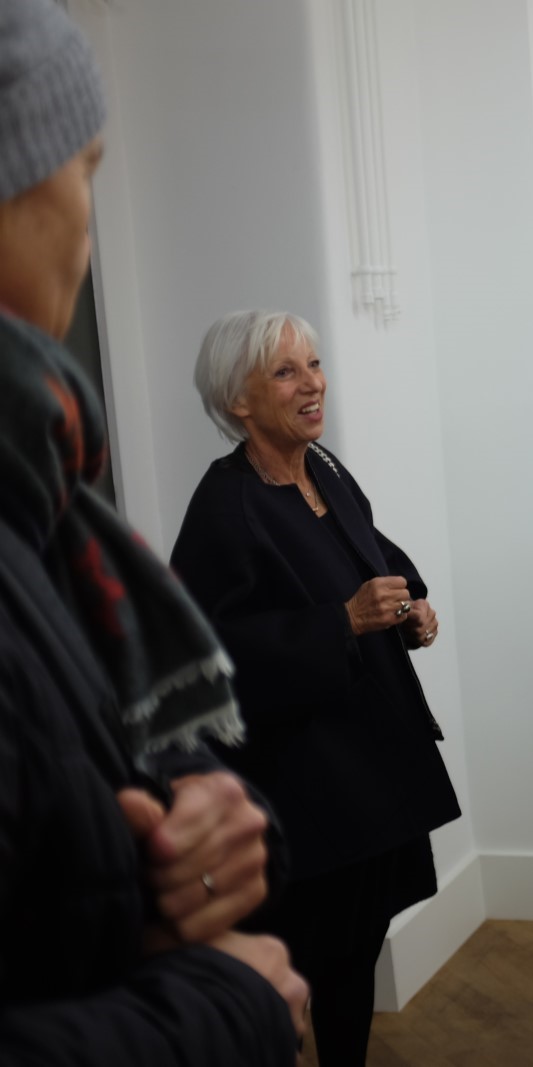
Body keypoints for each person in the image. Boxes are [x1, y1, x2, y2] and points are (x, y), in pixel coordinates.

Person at [0, 0, 308, 1061]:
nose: (88, 226)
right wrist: (227, 1005)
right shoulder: (214, 500)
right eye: (84, 168)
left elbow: (109, 752)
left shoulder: (41, 500)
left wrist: (200, 809)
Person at [170, 309, 463, 1066]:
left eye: (315, 364)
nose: (313, 384)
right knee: (310, 962)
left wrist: (409, 607)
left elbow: (372, 554)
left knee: (355, 951)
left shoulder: (323, 468)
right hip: (306, 785)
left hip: (370, 765)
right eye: (286, 371)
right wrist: (342, 622)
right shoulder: (225, 507)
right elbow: (204, 657)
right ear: (239, 399)